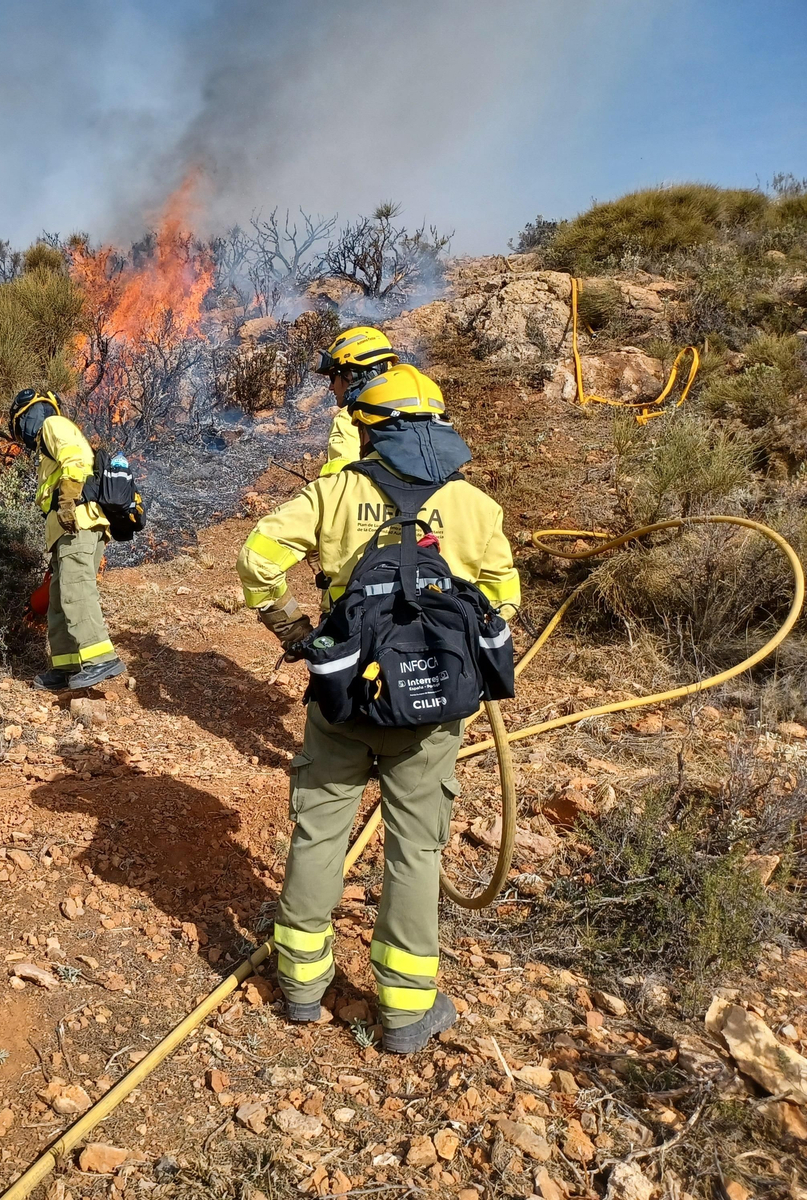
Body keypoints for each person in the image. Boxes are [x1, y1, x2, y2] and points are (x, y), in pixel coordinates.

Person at [238, 362, 521, 1053]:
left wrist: (294, 631)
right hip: (431, 710)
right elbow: (504, 597)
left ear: (370, 429)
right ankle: (403, 1013)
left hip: (344, 697)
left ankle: (301, 989)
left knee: (318, 834)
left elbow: (257, 557)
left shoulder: (334, 494)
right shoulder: (475, 507)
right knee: (415, 849)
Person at [9, 388, 126, 691]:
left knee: (76, 590)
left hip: (78, 523)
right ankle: (64, 667)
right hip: (67, 530)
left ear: (26, 416)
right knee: (60, 599)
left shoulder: (52, 425)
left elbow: (75, 458)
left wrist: (67, 503)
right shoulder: (46, 444)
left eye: (20, 422)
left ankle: (101, 657)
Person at [314, 326, 399, 477]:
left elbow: (340, 487)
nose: (331, 387)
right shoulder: (418, 409)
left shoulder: (349, 420)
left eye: (333, 377)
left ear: (354, 376)